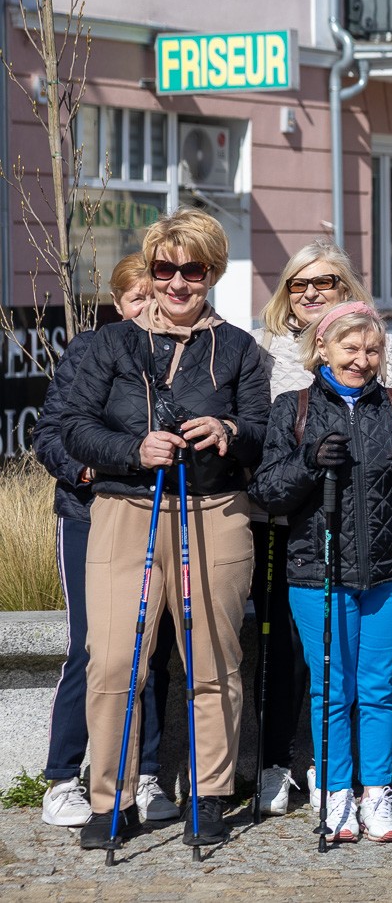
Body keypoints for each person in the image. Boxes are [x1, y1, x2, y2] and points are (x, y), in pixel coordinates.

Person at [62, 208, 270, 849]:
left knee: (211, 658)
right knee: (115, 659)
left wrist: (228, 432)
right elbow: (69, 423)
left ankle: (211, 794)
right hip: (127, 510)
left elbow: (263, 429)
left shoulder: (238, 348)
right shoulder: (106, 344)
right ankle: (110, 800)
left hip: (216, 512)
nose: (178, 283)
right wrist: (131, 450)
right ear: (150, 272)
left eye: (193, 270)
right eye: (165, 269)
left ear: (212, 274)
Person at [250, 302, 392, 842]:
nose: (362, 359)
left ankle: (376, 796)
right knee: (332, 690)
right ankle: (336, 793)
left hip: (390, 570)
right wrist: (309, 459)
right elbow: (267, 490)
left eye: (372, 349)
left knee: (379, 687)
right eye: (350, 348)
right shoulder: (294, 407)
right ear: (323, 349)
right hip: (318, 570)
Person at [251, 240, 392, 814]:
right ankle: (304, 773)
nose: (313, 292)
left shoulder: (391, 386)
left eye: (328, 283)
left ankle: (367, 787)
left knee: (374, 683)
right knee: (315, 675)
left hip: (380, 556)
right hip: (305, 546)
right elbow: (266, 477)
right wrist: (308, 459)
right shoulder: (279, 374)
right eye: (300, 284)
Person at [33, 254, 179, 830]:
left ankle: (142, 773)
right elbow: (52, 432)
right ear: (119, 304)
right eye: (137, 296)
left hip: (159, 511)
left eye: (156, 294)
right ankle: (63, 777)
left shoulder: (182, 354)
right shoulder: (91, 350)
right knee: (94, 644)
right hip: (91, 513)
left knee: (153, 648)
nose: (149, 305)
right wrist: (92, 473)